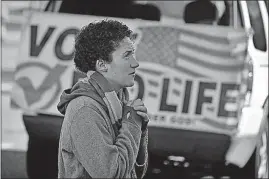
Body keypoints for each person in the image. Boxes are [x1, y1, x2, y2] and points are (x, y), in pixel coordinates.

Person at [57, 19, 149, 178]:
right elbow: (110, 174)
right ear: (102, 65)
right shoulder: (85, 109)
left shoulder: (118, 101)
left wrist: (139, 129)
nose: (135, 63)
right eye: (127, 55)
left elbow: (134, 172)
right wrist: (132, 123)